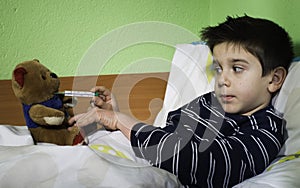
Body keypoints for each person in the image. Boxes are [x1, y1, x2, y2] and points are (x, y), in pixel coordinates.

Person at [69, 15, 294, 187]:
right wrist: (115, 122)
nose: (223, 79)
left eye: (237, 68)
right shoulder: (209, 103)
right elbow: (164, 134)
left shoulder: (265, 129)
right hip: (142, 159)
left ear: (274, 79)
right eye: (218, 68)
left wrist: (122, 122)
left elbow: (206, 164)